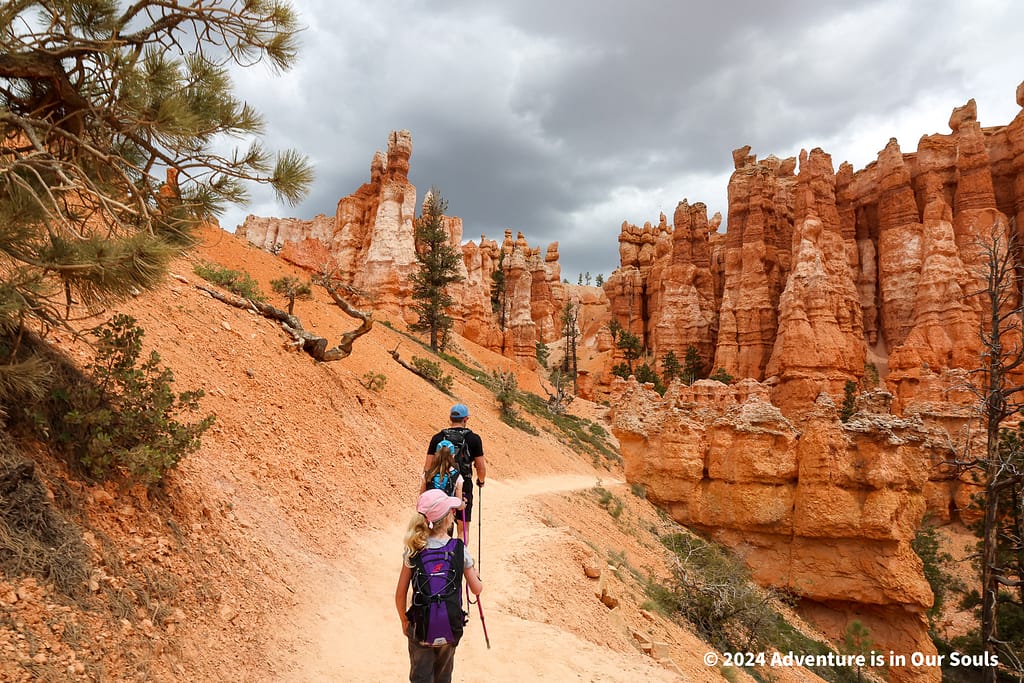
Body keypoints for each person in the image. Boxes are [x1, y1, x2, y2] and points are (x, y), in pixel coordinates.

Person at [396, 489, 483, 683]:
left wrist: (404, 621)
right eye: (452, 510)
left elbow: (400, 593)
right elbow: (476, 589)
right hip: (449, 625)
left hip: (420, 624)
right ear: (448, 519)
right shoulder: (459, 549)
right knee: (443, 676)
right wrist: (475, 573)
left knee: (421, 677)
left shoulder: (414, 549)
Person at [425, 404, 486, 540]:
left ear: (450, 418)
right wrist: (480, 481)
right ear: (466, 419)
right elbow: (481, 467)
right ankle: (459, 557)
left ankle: (440, 555)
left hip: (439, 484)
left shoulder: (437, 438)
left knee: (439, 525)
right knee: (463, 528)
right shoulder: (474, 439)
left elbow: (427, 467)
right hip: (464, 484)